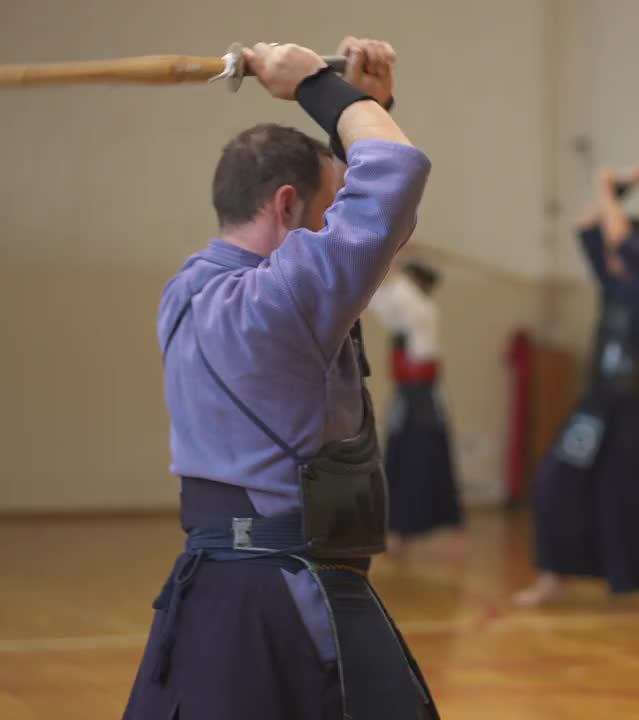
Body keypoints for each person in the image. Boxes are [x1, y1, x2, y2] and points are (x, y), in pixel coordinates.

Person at [124, 38, 441, 719]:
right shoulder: (277, 304)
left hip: (215, 591)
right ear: (288, 204)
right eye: (330, 210)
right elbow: (397, 179)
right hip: (290, 601)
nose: (337, 231)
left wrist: (366, 109)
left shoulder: (186, 289)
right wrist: (317, 89)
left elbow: (377, 235)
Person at [513, 167, 639, 610]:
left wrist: (603, 188)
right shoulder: (616, 284)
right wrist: (621, 189)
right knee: (558, 479)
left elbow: (617, 239)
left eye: (625, 248)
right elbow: (587, 226)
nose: (613, 255)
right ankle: (553, 574)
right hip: (599, 405)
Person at [368, 259, 464, 558]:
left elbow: (398, 297)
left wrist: (392, 266)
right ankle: (400, 531)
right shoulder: (406, 315)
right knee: (398, 458)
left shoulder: (424, 311)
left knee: (424, 459)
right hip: (406, 395)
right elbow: (382, 303)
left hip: (423, 399)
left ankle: (446, 529)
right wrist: (387, 267)